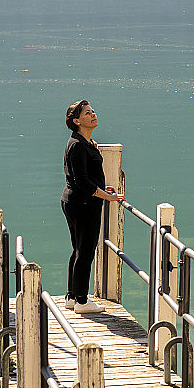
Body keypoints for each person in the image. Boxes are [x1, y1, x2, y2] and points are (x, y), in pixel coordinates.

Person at [61, 100, 124, 313]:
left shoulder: (85, 142)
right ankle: (81, 300)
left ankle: (71, 296)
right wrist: (106, 196)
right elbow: (82, 182)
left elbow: (87, 176)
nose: (93, 115)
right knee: (86, 251)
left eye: (93, 111)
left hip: (78, 201)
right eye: (87, 113)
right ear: (76, 121)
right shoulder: (78, 145)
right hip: (83, 203)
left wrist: (103, 188)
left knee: (78, 249)